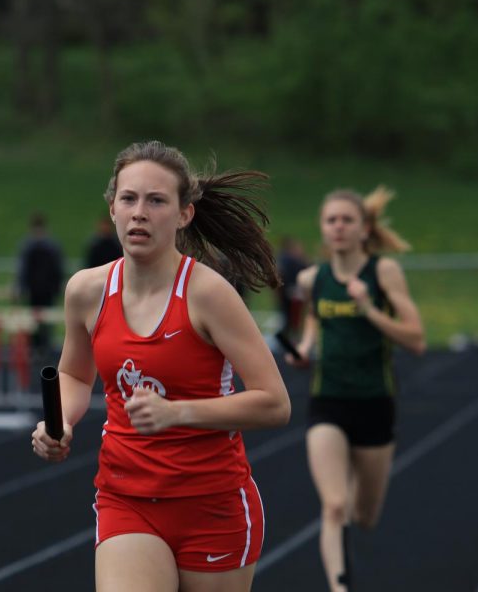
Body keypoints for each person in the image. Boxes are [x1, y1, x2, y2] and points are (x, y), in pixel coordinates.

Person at [31, 141, 291, 592]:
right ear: (112, 208)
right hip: (126, 497)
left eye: (156, 201)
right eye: (129, 199)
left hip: (212, 504)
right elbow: (74, 374)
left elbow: (275, 404)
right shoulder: (86, 291)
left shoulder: (209, 294)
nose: (139, 213)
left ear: (184, 213)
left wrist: (178, 412)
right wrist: (61, 422)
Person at [287, 187, 426, 592]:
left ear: (364, 229)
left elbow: (416, 339)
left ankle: (354, 507)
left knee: (364, 515)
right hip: (328, 401)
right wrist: (305, 350)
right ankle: (339, 587)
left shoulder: (383, 273)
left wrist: (368, 310)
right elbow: (313, 323)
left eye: (347, 220)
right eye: (331, 220)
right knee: (333, 505)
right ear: (323, 229)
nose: (339, 227)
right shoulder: (313, 278)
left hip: (375, 404)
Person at [17, 212, 65, 356]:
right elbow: (58, 269)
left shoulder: (28, 246)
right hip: (44, 289)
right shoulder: (51, 246)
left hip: (37, 289)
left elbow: (23, 269)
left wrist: (21, 286)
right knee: (40, 319)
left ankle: (39, 346)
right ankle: (41, 346)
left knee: (39, 319)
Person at [275, 236, 309, 340]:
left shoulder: (283, 259)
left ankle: (287, 335)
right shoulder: (293, 260)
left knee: (288, 316)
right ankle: (290, 336)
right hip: (292, 291)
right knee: (293, 317)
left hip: (287, 291)